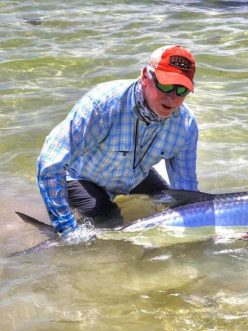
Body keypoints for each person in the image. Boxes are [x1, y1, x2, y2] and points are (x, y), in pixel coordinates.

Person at [37, 45, 199, 240]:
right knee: (110, 218)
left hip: (134, 173)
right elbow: (49, 161)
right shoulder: (102, 104)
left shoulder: (186, 125)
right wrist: (66, 229)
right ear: (146, 76)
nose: (172, 97)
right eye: (165, 85)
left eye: (181, 90)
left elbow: (187, 192)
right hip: (81, 176)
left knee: (168, 198)